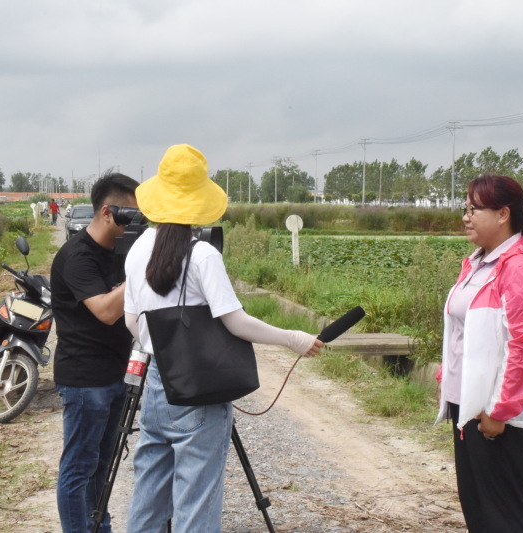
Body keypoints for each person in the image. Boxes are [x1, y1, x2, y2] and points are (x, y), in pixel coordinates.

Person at [123, 144, 324, 532]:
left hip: (156, 384)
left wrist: (163, 351)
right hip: (199, 393)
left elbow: (132, 320)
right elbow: (236, 323)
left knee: (148, 499)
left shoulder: (137, 249)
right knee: (196, 505)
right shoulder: (202, 255)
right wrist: (293, 338)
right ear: (200, 200)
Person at [435, 174, 523, 532]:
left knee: (503, 517)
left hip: (496, 414)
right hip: (467, 405)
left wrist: (501, 410)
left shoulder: (520, 267)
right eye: (465, 209)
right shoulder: (478, 263)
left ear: (503, 214)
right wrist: (447, 378)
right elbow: (464, 332)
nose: (465, 217)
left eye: (474, 209)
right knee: (479, 512)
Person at [50, 172, 140, 533]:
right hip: (84, 379)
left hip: (117, 373)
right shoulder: (77, 255)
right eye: (130, 214)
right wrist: (141, 272)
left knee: (103, 464)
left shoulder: (122, 252)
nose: (136, 223)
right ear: (107, 212)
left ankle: (99, 526)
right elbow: (106, 310)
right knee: (79, 468)